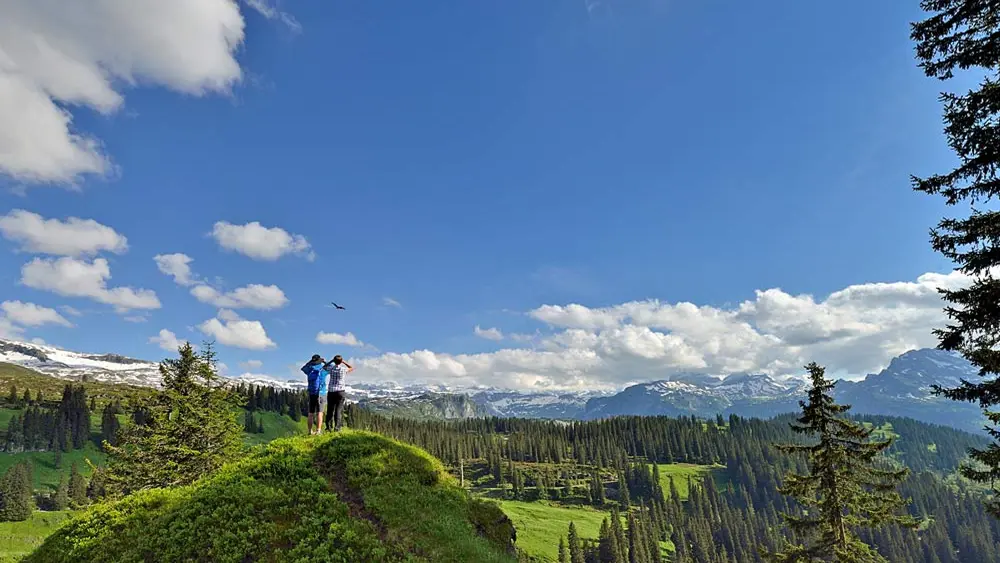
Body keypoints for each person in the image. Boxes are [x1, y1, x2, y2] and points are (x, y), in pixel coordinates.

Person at [323, 355, 354, 432]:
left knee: (330, 410)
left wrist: (331, 361)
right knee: (338, 410)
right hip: (340, 391)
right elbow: (351, 367)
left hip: (331, 391)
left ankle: (328, 427)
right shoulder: (343, 369)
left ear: (334, 361)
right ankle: (337, 428)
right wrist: (343, 362)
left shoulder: (331, 369)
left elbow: (324, 367)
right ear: (341, 361)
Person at [300, 354, 328, 435]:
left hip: (312, 393)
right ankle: (318, 430)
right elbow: (331, 367)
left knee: (311, 413)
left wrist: (310, 362)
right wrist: (324, 362)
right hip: (321, 392)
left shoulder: (309, 369)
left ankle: (310, 431)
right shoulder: (322, 369)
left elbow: (303, 368)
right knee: (320, 412)